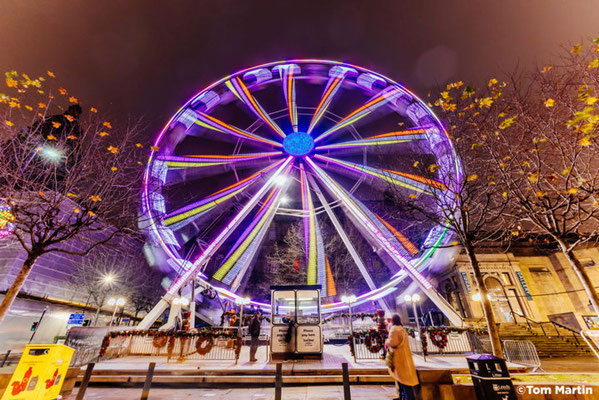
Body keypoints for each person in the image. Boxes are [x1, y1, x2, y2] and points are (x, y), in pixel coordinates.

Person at [385, 315, 419, 400]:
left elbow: (393, 342)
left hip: (398, 358)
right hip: (404, 357)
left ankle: (407, 397)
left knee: (403, 380)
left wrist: (387, 341)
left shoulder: (394, 329)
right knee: (403, 380)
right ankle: (402, 396)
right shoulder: (402, 329)